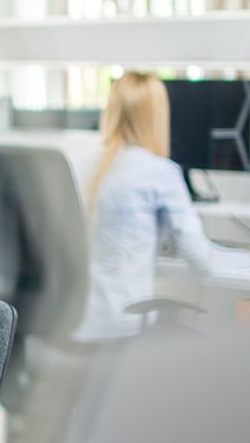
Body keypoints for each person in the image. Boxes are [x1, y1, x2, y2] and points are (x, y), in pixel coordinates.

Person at [73, 71, 250, 342]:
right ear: (157, 117)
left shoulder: (89, 167)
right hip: (125, 326)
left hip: (84, 323)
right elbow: (202, 263)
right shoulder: (160, 172)